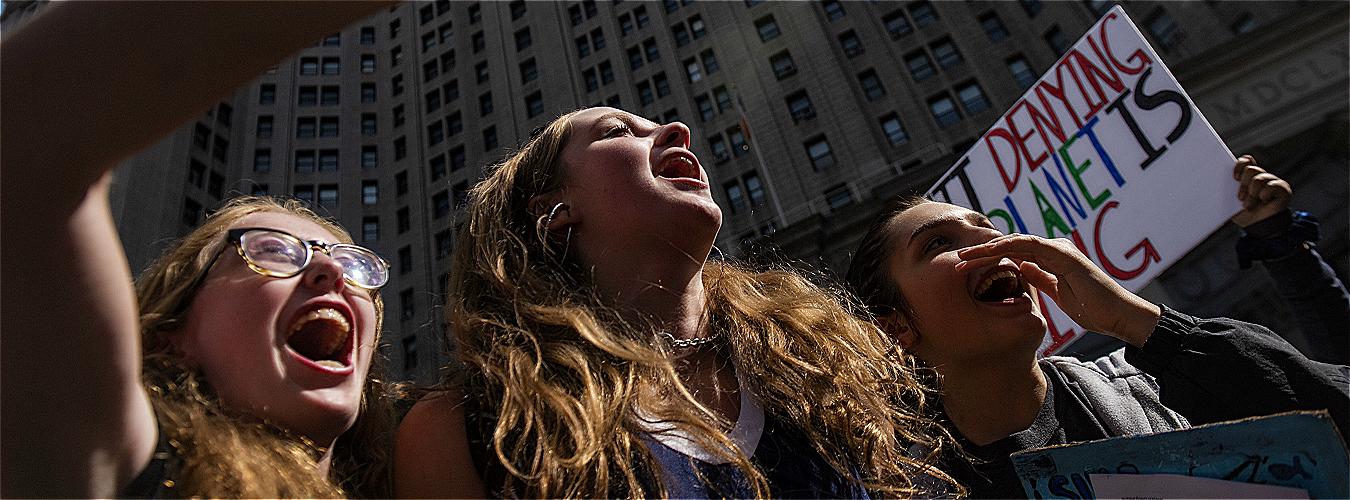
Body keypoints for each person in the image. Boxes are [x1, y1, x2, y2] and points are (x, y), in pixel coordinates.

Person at [393, 107, 959, 498]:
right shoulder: (469, 432)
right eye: (620, 131)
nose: (677, 131)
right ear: (555, 213)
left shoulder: (828, 363)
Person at [1, 3, 394, 497]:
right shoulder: (124, 465)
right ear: (171, 336)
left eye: (351, 262)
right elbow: (21, 131)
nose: (327, 270)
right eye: (272, 250)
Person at [843, 156, 1349, 498]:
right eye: (938, 243)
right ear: (897, 329)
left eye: (991, 229)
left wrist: (1133, 319)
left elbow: (1335, 413)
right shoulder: (894, 486)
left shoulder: (1151, 388)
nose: (992, 246)